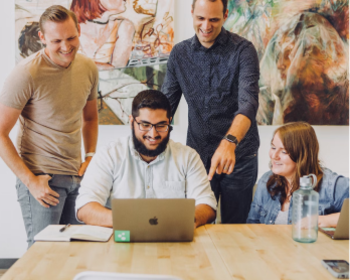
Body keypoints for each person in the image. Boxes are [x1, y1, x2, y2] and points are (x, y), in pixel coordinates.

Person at [0, 5, 99, 247]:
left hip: (77, 176)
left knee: (77, 254)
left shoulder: (88, 68)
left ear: (78, 30)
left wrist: (90, 156)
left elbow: (90, 118)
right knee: (43, 259)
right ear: (42, 37)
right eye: (56, 41)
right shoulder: (26, 74)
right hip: (43, 180)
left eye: (71, 37)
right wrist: (30, 181)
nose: (66, 47)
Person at [162, 0, 260, 223]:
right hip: (198, 156)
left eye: (214, 19)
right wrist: (144, 123)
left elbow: (249, 103)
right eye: (201, 18)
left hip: (239, 155)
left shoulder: (243, 51)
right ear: (192, 14)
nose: (206, 26)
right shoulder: (179, 54)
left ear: (225, 15)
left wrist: (229, 142)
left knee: (235, 231)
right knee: (195, 225)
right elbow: (166, 104)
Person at [76, 90, 217, 228]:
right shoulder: (109, 155)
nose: (153, 134)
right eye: (145, 125)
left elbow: (207, 205)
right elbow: (85, 207)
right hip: (122, 240)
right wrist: (134, 222)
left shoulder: (188, 157)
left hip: (173, 242)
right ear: (131, 122)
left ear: (169, 122)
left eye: (161, 125)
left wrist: (183, 221)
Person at [247, 122, 350, 227]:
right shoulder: (266, 180)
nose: (274, 156)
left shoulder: (332, 186)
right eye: (273, 147)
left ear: (302, 155)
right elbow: (252, 225)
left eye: (284, 151)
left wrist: (323, 220)